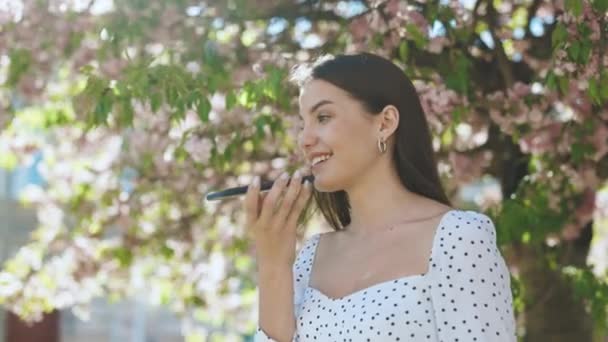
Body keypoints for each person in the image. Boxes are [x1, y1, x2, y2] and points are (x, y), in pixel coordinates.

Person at [244, 53, 516, 342]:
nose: (304, 139)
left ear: (385, 123)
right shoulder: (311, 256)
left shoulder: (458, 238)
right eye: (303, 123)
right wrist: (273, 264)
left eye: (323, 117)